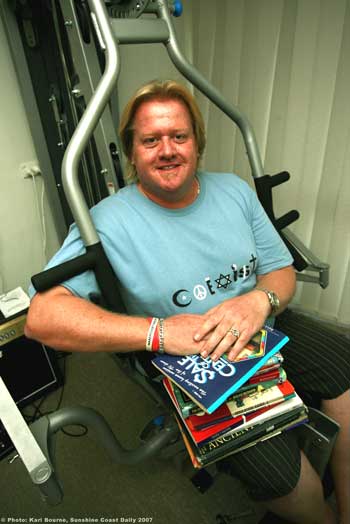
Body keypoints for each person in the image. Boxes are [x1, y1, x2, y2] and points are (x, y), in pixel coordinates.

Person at [25, 79, 350, 524]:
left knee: (344, 364)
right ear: (132, 152)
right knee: (280, 474)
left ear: (197, 143)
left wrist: (260, 300)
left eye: (179, 136)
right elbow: (42, 318)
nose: (167, 150)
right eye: (151, 140)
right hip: (193, 356)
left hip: (262, 326)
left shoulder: (234, 191)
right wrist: (158, 332)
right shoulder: (108, 222)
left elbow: (280, 270)